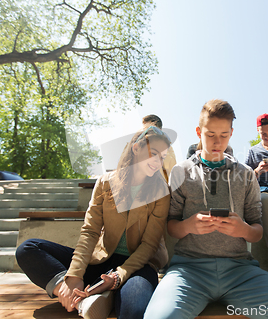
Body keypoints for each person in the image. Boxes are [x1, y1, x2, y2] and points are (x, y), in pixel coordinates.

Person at [144, 99, 268, 319]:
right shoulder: (181, 171)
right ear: (199, 132)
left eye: (223, 135)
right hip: (189, 271)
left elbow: (257, 231)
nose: (217, 142)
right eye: (210, 135)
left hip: (241, 271)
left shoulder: (247, 174)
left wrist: (242, 230)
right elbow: (171, 227)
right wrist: (189, 225)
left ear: (231, 133)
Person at [16, 126, 172, 319]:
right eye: (153, 153)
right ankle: (80, 298)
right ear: (136, 148)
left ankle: (105, 292)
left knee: (133, 311)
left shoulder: (161, 191)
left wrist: (117, 277)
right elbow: (90, 231)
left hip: (137, 266)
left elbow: (149, 244)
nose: (157, 161)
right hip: (102, 260)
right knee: (28, 249)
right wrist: (73, 277)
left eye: (162, 157)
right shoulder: (105, 182)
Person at [244, 113, 268, 274]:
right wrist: (258, 170)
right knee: (264, 200)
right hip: (264, 191)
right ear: (258, 132)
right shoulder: (253, 151)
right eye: (263, 133)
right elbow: (245, 179)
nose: (267, 136)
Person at [142, 114, 177, 181]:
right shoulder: (142, 144)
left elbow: (171, 168)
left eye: (147, 129)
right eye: (144, 130)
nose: (145, 132)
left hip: (158, 186)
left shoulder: (167, 147)